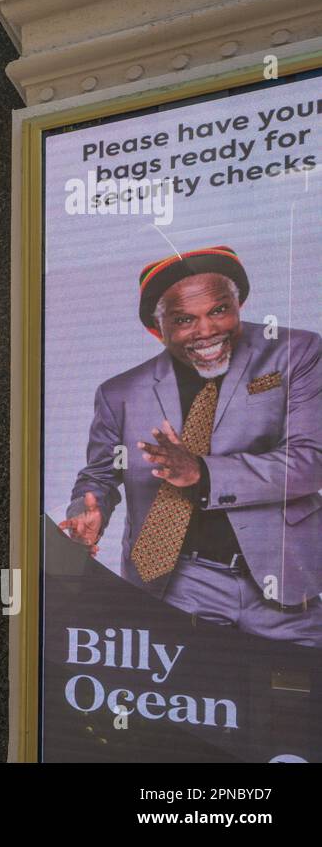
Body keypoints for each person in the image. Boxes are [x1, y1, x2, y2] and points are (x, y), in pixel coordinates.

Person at [60, 245, 322, 646]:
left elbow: (311, 461)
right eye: (184, 319)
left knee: (293, 702)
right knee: (193, 695)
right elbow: (98, 476)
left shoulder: (296, 354)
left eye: (219, 310)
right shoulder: (120, 393)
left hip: (284, 578)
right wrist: (85, 514)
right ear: (156, 328)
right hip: (177, 582)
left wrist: (203, 472)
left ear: (240, 302)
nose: (206, 330)